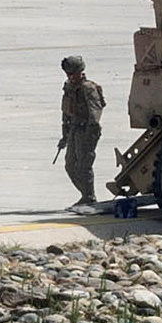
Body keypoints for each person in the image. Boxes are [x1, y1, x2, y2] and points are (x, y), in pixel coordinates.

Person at [58, 55, 106, 211]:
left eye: (72, 74)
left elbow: (95, 112)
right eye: (68, 74)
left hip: (87, 130)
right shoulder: (69, 88)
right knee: (70, 165)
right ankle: (86, 195)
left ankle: (89, 197)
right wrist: (65, 136)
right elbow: (66, 113)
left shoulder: (88, 88)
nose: (70, 77)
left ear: (80, 72)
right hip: (74, 130)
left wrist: (89, 134)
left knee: (84, 165)